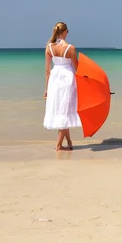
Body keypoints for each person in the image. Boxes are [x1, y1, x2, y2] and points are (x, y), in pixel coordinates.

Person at [43, 22, 82, 151]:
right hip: (67, 79)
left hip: (54, 80)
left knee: (62, 111)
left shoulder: (48, 48)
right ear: (65, 32)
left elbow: (47, 71)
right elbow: (78, 69)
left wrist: (46, 89)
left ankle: (69, 143)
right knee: (63, 111)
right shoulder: (70, 48)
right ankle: (59, 146)